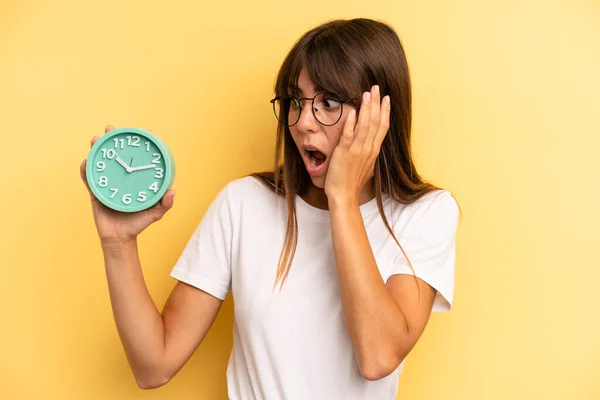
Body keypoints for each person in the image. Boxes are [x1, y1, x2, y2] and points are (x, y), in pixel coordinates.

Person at [80, 18, 459, 400]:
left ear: (379, 113)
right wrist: (118, 244)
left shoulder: (426, 214)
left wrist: (341, 198)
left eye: (327, 103)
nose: (304, 123)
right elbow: (153, 366)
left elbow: (377, 357)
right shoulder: (243, 204)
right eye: (295, 101)